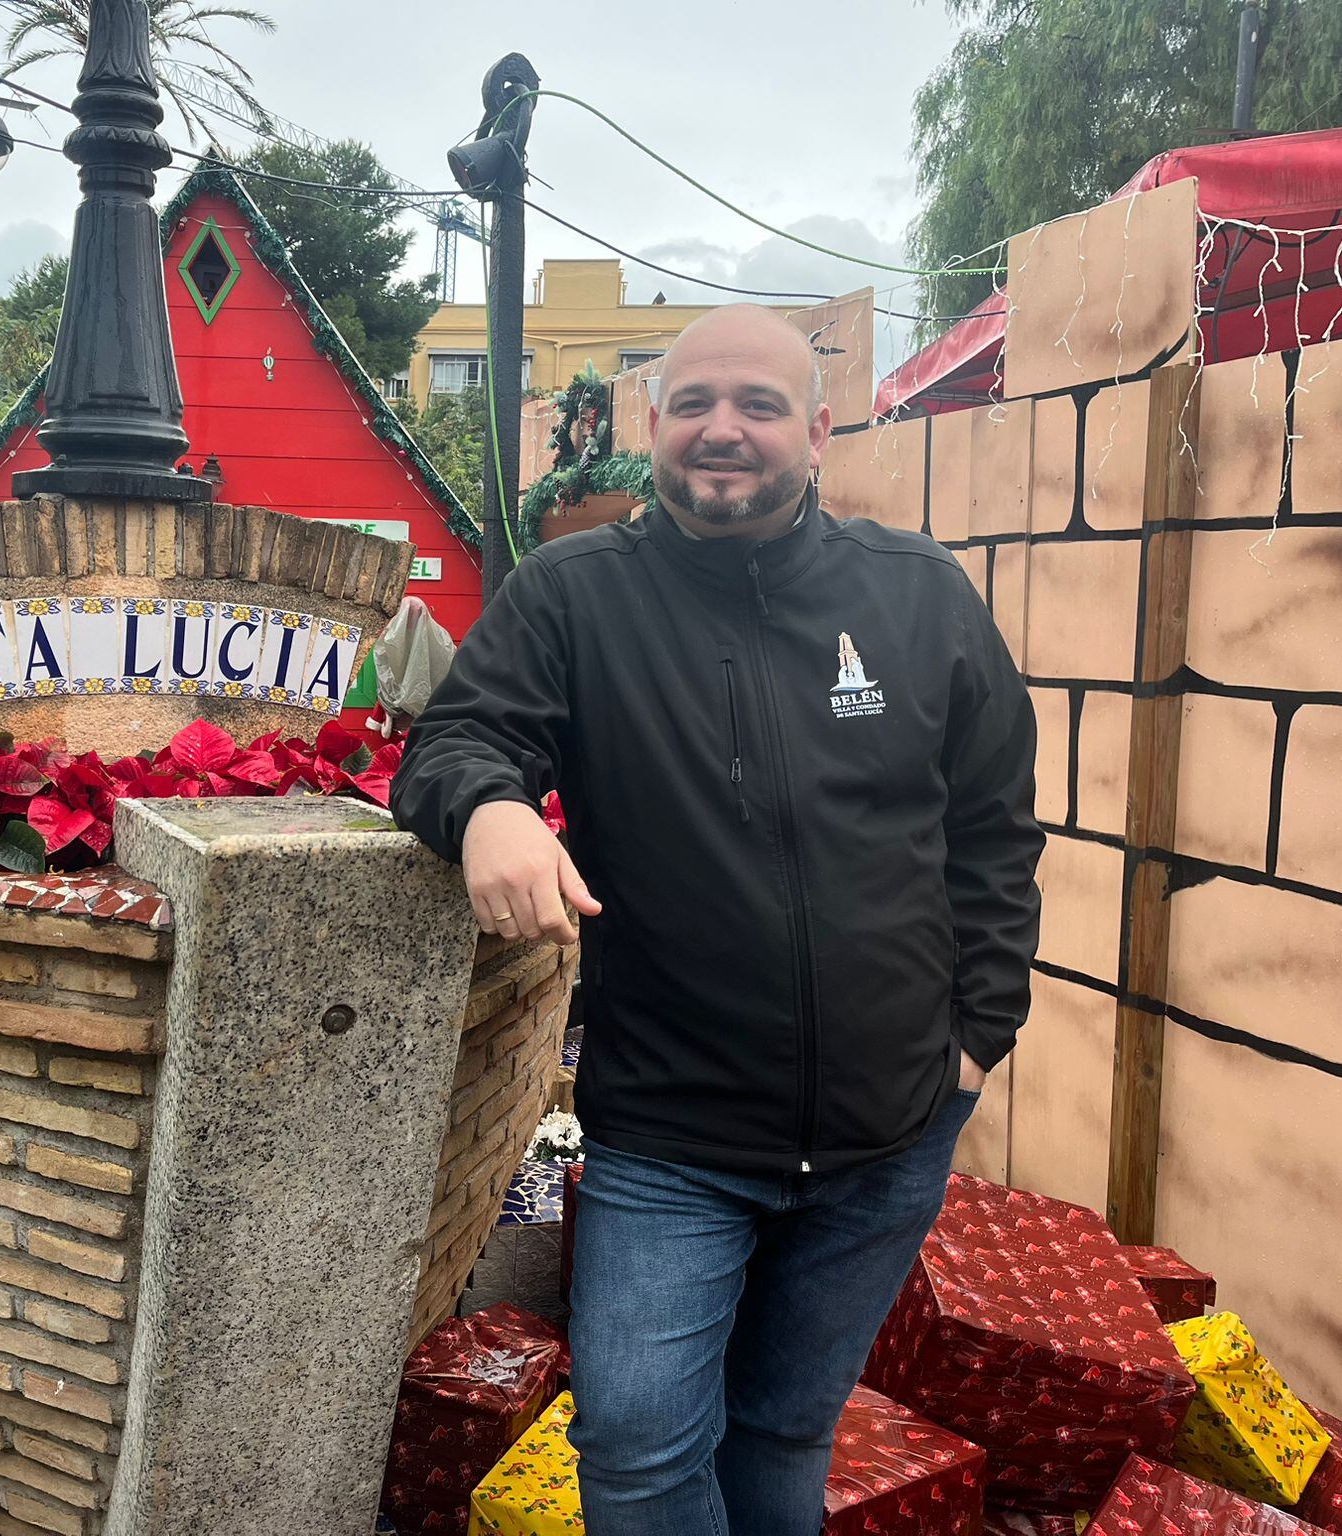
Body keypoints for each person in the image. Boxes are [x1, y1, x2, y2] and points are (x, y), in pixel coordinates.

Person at [391, 305, 1042, 1535]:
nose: (721, 431)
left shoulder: (917, 595)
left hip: (889, 1131)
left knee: (785, 1430)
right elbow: (457, 738)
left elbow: (994, 831)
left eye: (755, 405)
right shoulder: (573, 595)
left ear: (817, 427)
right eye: (692, 405)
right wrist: (487, 810)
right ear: (652, 427)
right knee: (635, 1446)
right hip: (673, 1136)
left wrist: (974, 1038)